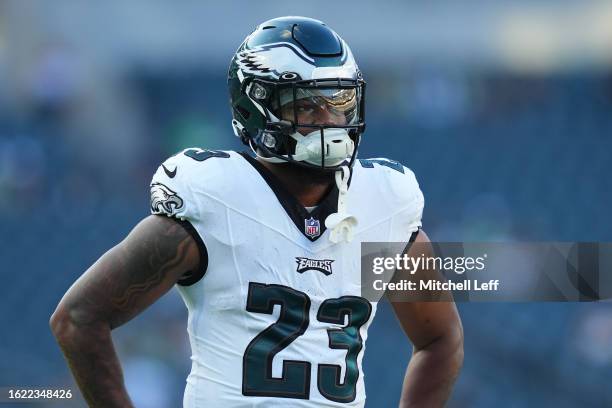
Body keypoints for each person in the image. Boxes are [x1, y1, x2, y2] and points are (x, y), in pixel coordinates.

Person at [50, 16, 463, 407]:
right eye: (307, 107)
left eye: (339, 102)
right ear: (257, 108)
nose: (331, 121)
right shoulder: (218, 200)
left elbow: (439, 340)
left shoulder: (379, 207)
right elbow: (78, 318)